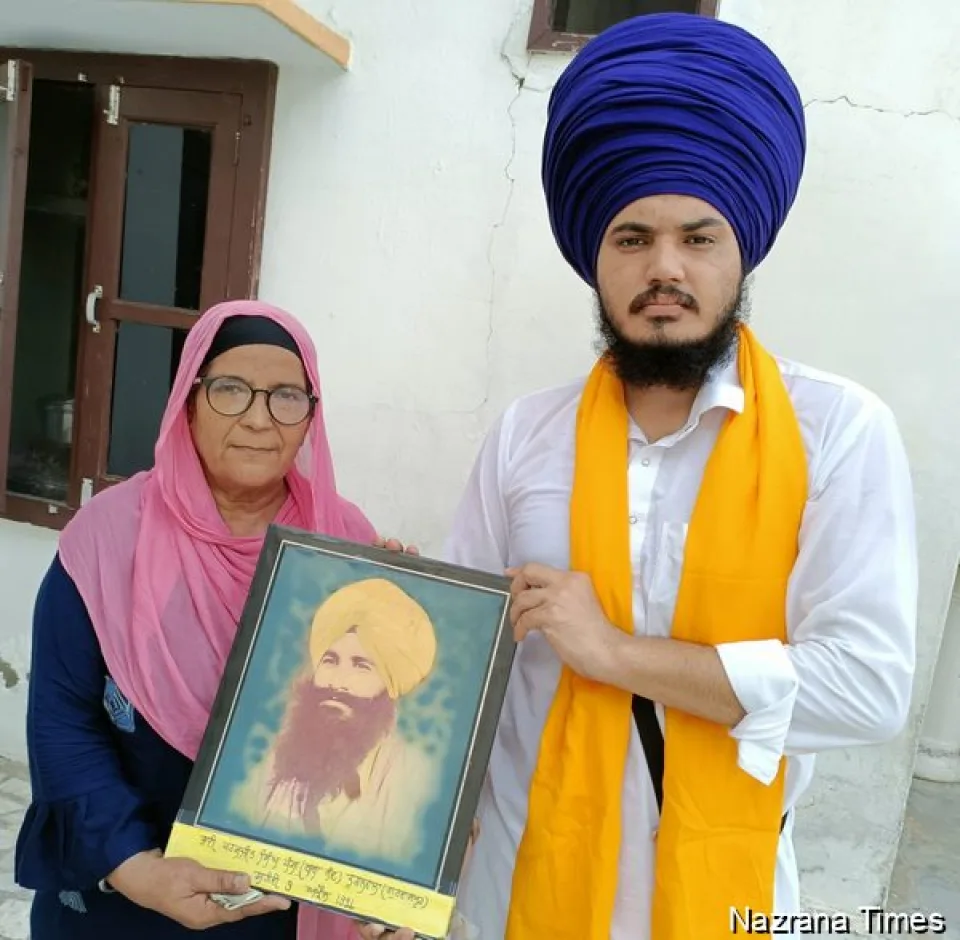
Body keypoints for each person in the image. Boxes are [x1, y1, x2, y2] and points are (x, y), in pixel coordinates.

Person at [431, 11, 915, 940]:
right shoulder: (526, 435)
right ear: (594, 257)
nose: (664, 269)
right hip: (518, 887)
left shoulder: (838, 432)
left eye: (698, 238)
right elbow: (462, 660)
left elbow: (865, 687)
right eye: (631, 238)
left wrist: (613, 653)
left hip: (722, 895)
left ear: (743, 250)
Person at [13, 300, 411, 940]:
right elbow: (63, 721)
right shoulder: (109, 537)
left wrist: (415, 609)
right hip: (127, 892)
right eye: (230, 389)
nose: (258, 418)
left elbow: (379, 729)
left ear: (311, 416)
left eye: (286, 396)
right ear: (189, 401)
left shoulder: (344, 542)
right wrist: (135, 869)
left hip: (277, 906)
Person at [231, 578, 441, 864]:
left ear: (387, 686)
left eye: (361, 666)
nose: (338, 682)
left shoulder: (411, 775)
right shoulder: (279, 759)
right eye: (330, 661)